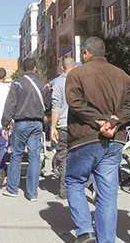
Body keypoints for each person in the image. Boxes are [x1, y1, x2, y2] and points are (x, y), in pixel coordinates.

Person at [65, 37, 130, 243]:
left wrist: (99, 123)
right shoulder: (123, 76)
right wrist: (113, 123)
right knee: (107, 194)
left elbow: (75, 103)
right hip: (115, 140)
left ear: (86, 53)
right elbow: (129, 109)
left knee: (74, 181)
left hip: (85, 138)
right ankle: (106, 240)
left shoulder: (76, 74)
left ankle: (85, 232)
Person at [1, 58, 48, 201]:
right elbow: (48, 103)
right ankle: (32, 193)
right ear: (35, 68)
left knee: (16, 155)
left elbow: (10, 104)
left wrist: (5, 124)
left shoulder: (17, 83)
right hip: (37, 124)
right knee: (35, 157)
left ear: (22, 68)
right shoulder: (42, 83)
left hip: (21, 124)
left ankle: (12, 189)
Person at [50, 57, 76, 200]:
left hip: (64, 125)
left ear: (62, 67)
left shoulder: (59, 82)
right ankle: (86, 185)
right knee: (82, 156)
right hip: (80, 126)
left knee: (65, 158)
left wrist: (53, 127)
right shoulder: (82, 80)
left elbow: (56, 106)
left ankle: (64, 190)